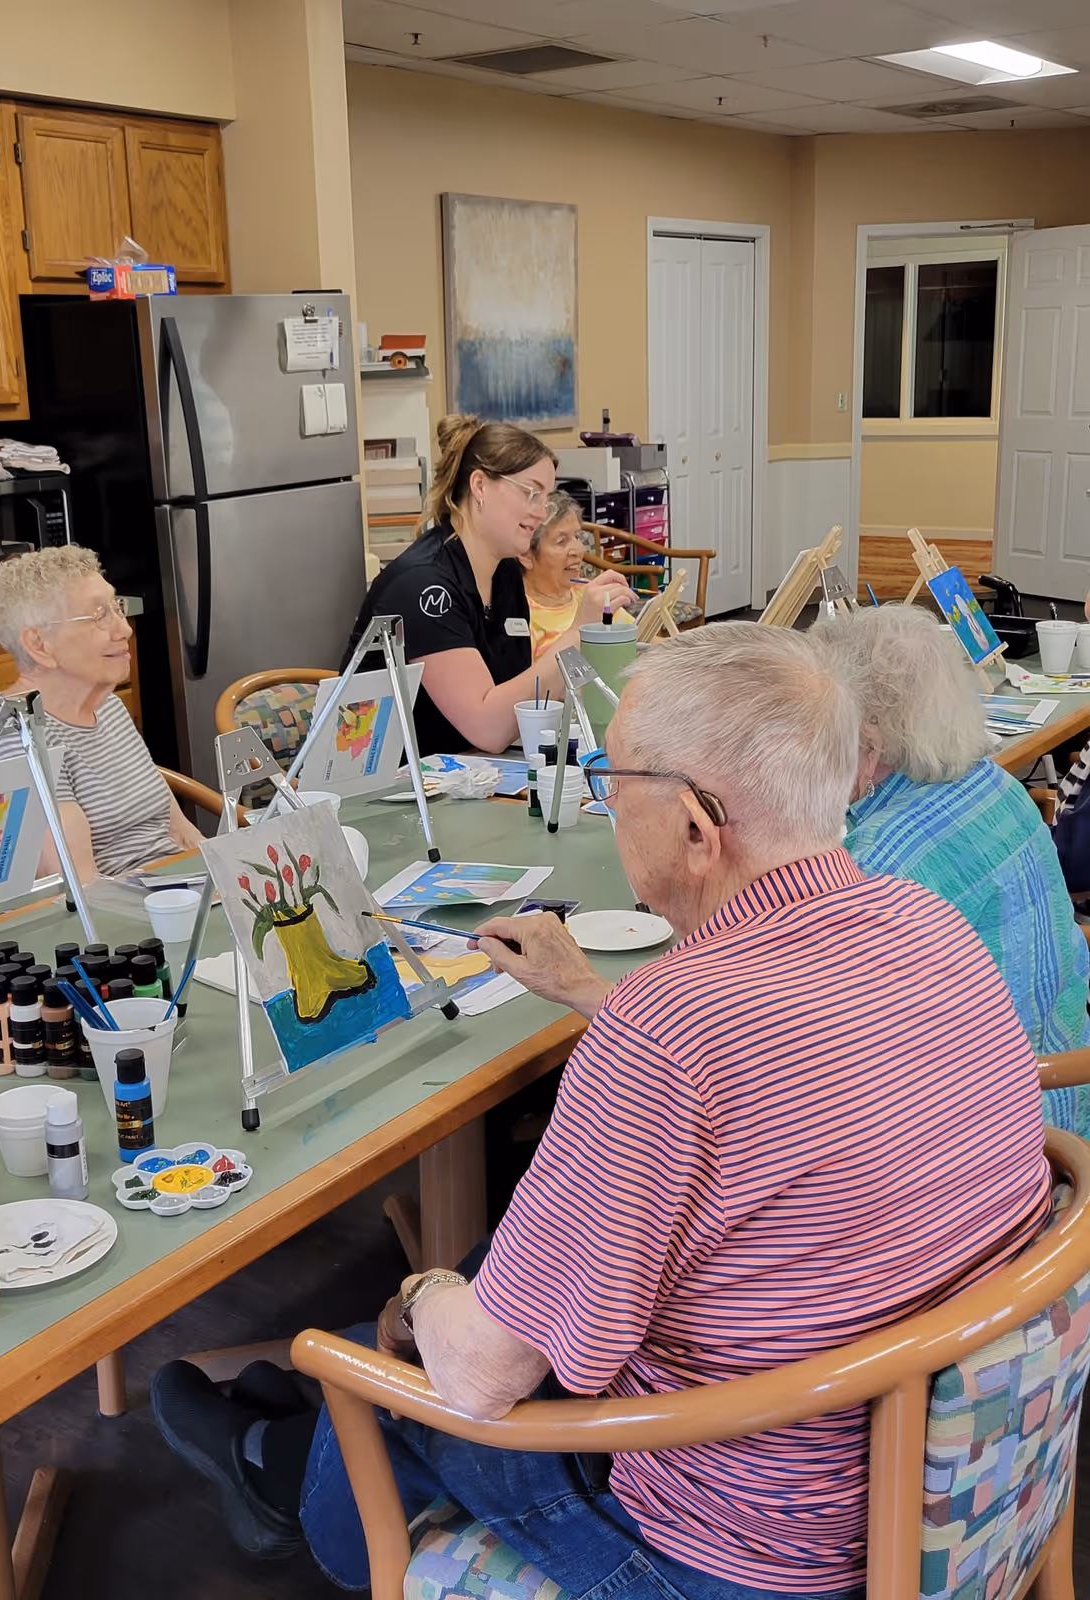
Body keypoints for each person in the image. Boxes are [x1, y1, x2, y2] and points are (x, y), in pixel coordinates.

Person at [150, 623, 1050, 1598]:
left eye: (611, 781)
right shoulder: (926, 923)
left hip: (743, 1556)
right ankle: (306, 1430)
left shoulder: (670, 1036)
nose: (602, 802)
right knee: (507, 1276)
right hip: (945, 1490)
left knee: (406, 1349)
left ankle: (288, 1482)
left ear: (699, 827)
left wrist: (417, 1300)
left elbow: (489, 1377)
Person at [812, 603, 1090, 1130]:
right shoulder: (995, 785)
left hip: (1001, 1135)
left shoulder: (879, 861)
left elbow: (836, 1051)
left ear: (865, 735)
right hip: (1067, 1078)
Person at [343, 415, 631, 755]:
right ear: (479, 486)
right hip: (390, 791)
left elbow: (523, 704)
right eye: (531, 494)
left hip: (471, 777)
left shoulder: (506, 574)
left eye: (546, 498)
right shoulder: (423, 585)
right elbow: (489, 728)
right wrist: (579, 632)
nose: (541, 513)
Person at [0, 544, 202, 881]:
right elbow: (83, 894)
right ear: (39, 644)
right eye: (98, 615)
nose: (125, 630)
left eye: (116, 607)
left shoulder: (107, 706)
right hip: (133, 914)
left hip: (175, 885)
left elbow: (180, 832)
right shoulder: (22, 738)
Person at [519, 489, 589, 657]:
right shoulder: (521, 618)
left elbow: (644, 639)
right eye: (561, 541)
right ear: (526, 555)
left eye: (577, 537)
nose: (579, 550)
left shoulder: (587, 592)